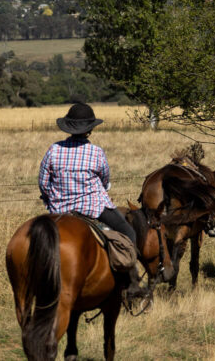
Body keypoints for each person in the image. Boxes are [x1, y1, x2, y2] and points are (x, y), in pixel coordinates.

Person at [38, 102, 148, 303]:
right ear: (90, 129)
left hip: (59, 211)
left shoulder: (53, 150)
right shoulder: (96, 152)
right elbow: (105, 180)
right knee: (129, 232)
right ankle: (132, 285)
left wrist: (51, 200)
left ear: (68, 127)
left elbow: (43, 183)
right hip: (94, 208)